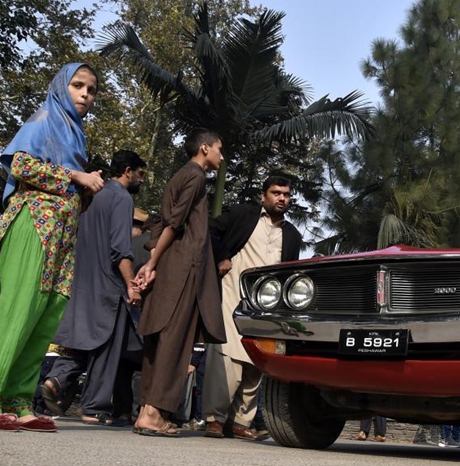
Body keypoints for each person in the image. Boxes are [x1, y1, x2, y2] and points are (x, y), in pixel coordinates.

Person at [0, 63, 104, 432]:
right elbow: (20, 165)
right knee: (16, 308)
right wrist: (75, 176)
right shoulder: (43, 119)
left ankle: (19, 400)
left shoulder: (77, 135)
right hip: (32, 225)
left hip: (63, 234)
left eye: (91, 89)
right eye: (78, 86)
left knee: (45, 315)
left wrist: (85, 190)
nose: (85, 94)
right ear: (61, 87)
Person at [132, 128, 227, 437]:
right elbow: (175, 222)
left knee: (158, 336)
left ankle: (146, 409)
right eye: (219, 149)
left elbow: (164, 221)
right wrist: (152, 262)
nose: (221, 156)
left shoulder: (179, 176)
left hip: (171, 264)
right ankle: (154, 413)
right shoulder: (197, 177)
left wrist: (154, 262)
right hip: (185, 265)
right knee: (176, 338)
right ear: (204, 148)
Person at [42, 150, 146, 426]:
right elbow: (120, 249)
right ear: (127, 171)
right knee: (107, 347)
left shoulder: (93, 194)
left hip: (80, 279)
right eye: (140, 174)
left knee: (84, 340)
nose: (142, 180)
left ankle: (57, 379)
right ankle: (94, 407)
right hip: (108, 284)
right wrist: (130, 285)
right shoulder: (122, 198)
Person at [202, 176, 302, 440]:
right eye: (276, 193)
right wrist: (222, 257)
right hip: (232, 296)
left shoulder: (292, 234)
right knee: (227, 357)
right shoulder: (242, 215)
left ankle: (240, 422)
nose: (282, 198)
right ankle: (214, 419)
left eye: (287, 195)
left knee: (256, 362)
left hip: (267, 307)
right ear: (263, 196)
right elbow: (211, 229)